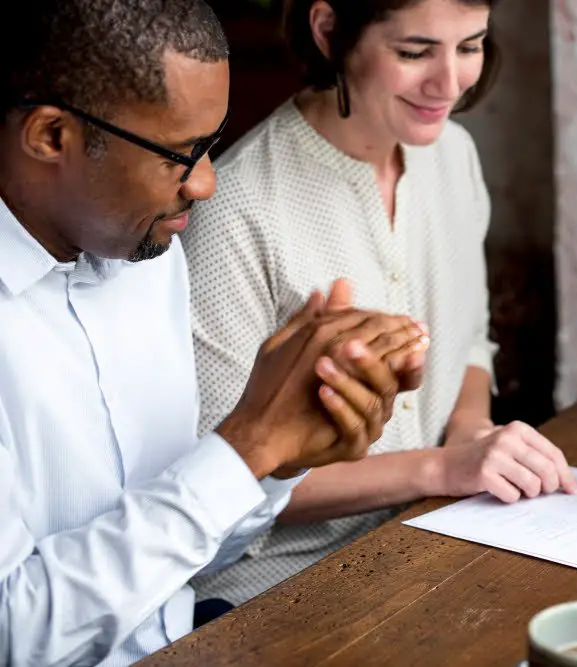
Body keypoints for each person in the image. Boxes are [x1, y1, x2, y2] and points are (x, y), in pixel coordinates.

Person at [0, 1, 429, 665]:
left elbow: (179, 555)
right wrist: (245, 444)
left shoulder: (148, 261)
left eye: (212, 143)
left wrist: (280, 457)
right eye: (181, 154)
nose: (206, 183)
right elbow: (14, 633)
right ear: (51, 136)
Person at [182, 0, 577, 606]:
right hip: (281, 588)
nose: (449, 83)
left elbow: (469, 338)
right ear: (329, 31)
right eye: (414, 52)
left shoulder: (454, 156)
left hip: (437, 535)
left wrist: (471, 431)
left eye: (470, 46)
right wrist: (443, 468)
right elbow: (227, 474)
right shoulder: (238, 209)